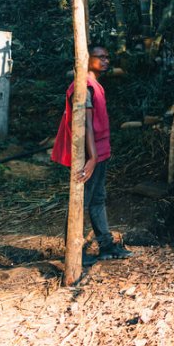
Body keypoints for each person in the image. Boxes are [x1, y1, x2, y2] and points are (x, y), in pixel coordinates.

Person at [51, 45, 133, 264]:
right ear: (87, 59)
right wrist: (92, 158)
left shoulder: (95, 85)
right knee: (81, 201)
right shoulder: (84, 87)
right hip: (88, 155)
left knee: (97, 199)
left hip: (99, 151)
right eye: (101, 57)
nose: (106, 60)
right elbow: (85, 124)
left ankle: (106, 246)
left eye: (107, 57)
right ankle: (73, 250)